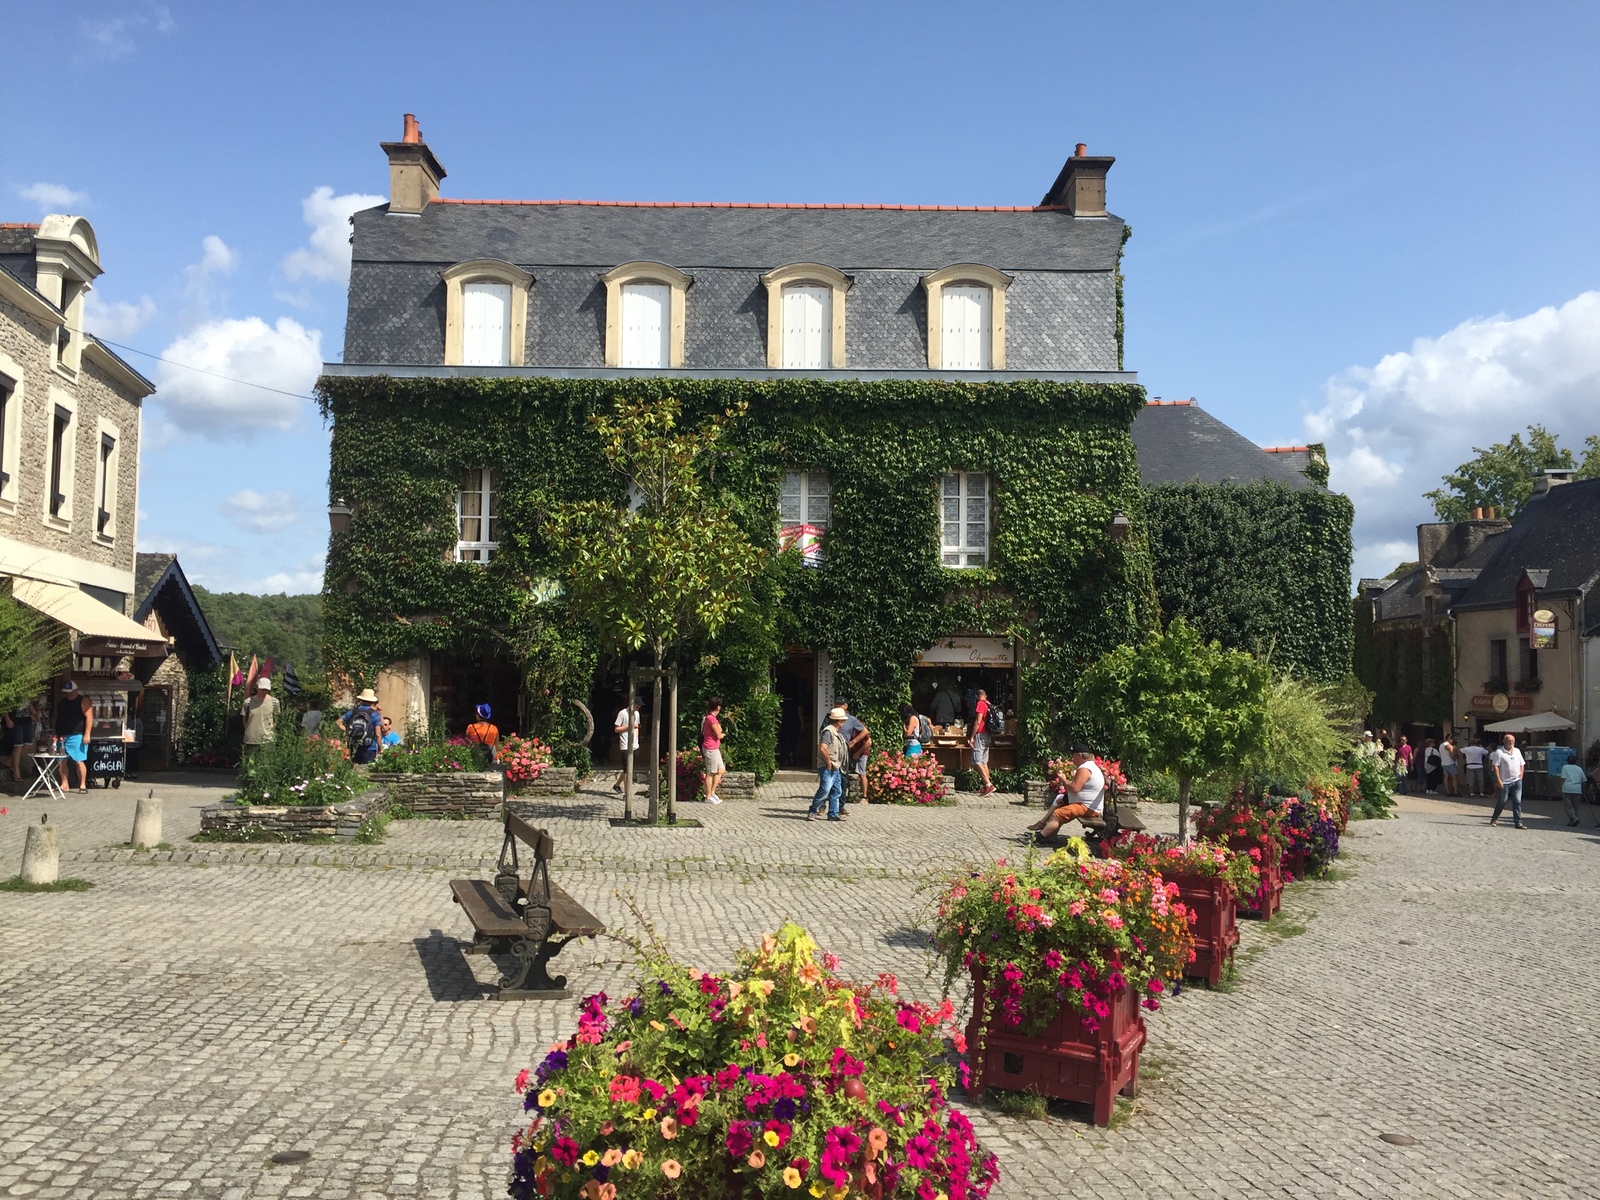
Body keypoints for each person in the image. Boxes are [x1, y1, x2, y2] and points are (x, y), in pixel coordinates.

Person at [1027, 745, 1106, 841]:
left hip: (1088, 807)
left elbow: (1074, 789)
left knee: (1058, 814)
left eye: (1073, 756)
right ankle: (1050, 834)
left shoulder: (1085, 769)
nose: (1072, 759)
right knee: (1060, 803)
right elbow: (1075, 786)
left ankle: (1040, 837)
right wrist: (1065, 782)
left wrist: (1064, 780)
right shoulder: (1089, 766)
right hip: (1086, 805)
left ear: (1079, 756)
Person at [808, 707, 849, 822]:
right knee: (825, 789)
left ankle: (833, 813)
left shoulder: (836, 732)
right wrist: (828, 762)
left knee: (837, 791)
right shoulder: (828, 731)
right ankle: (813, 810)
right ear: (839, 721)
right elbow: (823, 748)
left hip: (836, 767)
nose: (844, 723)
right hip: (828, 766)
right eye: (843, 721)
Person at [55, 681, 93, 794]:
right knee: (61, 761)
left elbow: (89, 718)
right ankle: (64, 784)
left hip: (77, 735)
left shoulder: (83, 701)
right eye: (66, 693)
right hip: (62, 735)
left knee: (78, 760)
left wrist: (87, 734)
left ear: (75, 691)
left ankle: (82, 784)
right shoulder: (62, 702)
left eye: (70, 692)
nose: (68, 695)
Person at [1489, 733, 1526, 829]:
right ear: (1504, 741)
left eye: (1512, 741)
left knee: (1517, 801)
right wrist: (1498, 780)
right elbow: (1495, 766)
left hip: (1517, 780)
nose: (1511, 742)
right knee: (1503, 800)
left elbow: (1522, 764)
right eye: (1509, 741)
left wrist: (1521, 774)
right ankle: (1494, 818)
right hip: (1504, 781)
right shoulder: (1499, 752)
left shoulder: (1517, 751)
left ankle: (1518, 822)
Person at [338, 688, 384, 765]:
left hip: (354, 746)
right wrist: (380, 749)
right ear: (373, 702)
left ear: (361, 700)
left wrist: (348, 730)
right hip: (369, 747)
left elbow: (338, 722)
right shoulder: (374, 714)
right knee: (367, 772)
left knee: (354, 771)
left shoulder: (354, 712)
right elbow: (378, 734)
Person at [837, 700, 870, 804]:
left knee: (861, 772)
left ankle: (864, 797)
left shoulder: (858, 725)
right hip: (850, 751)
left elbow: (868, 742)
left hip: (862, 752)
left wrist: (858, 752)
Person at [241, 678, 279, 758]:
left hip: (268, 739)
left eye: (266, 689)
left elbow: (276, 718)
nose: (264, 691)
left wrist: (271, 728)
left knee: (267, 765)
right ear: (257, 687)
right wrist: (248, 730)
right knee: (249, 765)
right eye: (262, 689)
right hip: (251, 739)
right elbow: (244, 718)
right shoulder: (248, 702)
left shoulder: (274, 702)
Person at [701, 696, 727, 804]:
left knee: (721, 770)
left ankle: (712, 792)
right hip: (710, 747)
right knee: (711, 772)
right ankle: (708, 796)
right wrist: (722, 734)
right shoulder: (711, 719)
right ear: (718, 707)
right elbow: (718, 734)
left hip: (714, 748)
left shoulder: (712, 718)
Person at [612, 695, 640, 793]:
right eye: (636, 706)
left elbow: (637, 727)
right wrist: (629, 727)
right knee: (628, 771)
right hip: (625, 745)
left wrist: (637, 740)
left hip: (635, 745)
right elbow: (616, 729)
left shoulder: (637, 714)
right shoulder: (622, 713)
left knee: (628, 769)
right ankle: (627, 793)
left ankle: (616, 785)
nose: (638, 708)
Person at [971, 688, 994, 796]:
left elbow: (978, 721)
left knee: (977, 761)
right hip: (988, 735)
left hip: (980, 734)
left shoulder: (980, 704)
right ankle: (987, 786)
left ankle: (988, 785)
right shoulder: (989, 704)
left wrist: (972, 736)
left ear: (977, 696)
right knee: (984, 762)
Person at [9, 701, 38, 785]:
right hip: (16, 721)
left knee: (28, 744)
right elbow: (5, 708)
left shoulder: (25, 695)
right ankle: (16, 770)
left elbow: (29, 704)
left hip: (26, 721)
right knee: (18, 745)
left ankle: (12, 761)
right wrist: (7, 719)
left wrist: (35, 714)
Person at [1558, 752, 1586, 827]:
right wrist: (1584, 790)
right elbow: (1584, 779)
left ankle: (1574, 819)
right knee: (1575, 806)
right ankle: (1573, 820)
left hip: (1567, 788)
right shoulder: (1579, 768)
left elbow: (1563, 778)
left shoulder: (1565, 767)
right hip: (1577, 789)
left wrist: (1559, 786)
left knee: (1568, 806)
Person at [126, 710, 144, 781]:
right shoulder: (138, 722)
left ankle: (132, 772)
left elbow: (129, 730)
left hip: (133, 743)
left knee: (132, 758)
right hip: (134, 743)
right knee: (133, 758)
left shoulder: (135, 722)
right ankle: (132, 772)